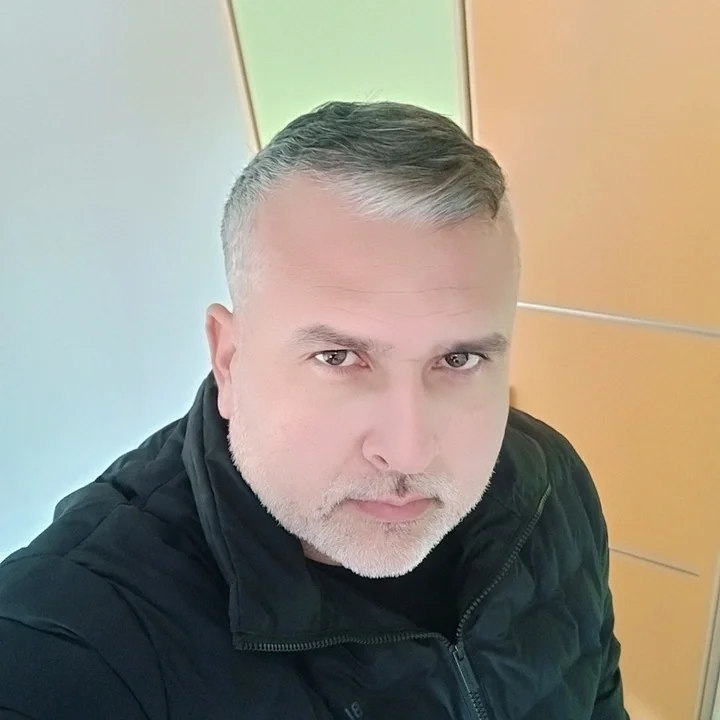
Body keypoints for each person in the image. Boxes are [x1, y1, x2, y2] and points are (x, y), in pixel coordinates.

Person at [0, 101, 627, 719]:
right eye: (338, 357)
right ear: (229, 359)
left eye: (458, 359)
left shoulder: (549, 480)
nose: (407, 451)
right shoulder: (79, 642)